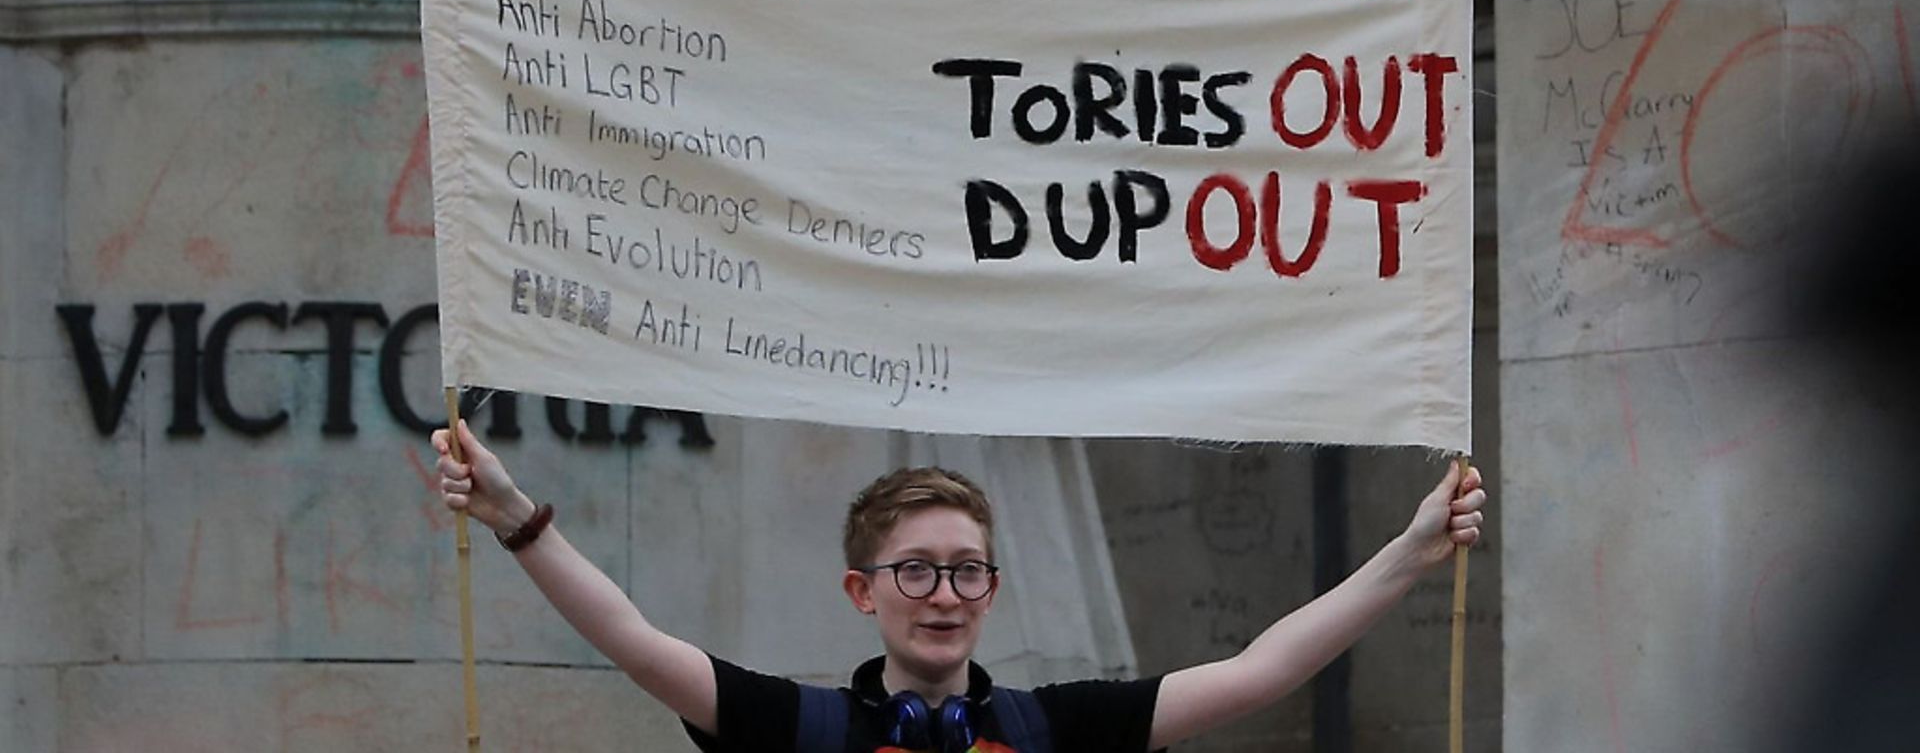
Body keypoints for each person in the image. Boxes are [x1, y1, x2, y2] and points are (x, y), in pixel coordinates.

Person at [432, 424, 1485, 752]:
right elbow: (632, 639)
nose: (945, 593)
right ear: (863, 590)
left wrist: (1407, 551)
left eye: (967, 570)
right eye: (918, 570)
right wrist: (518, 519)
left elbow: (1261, 672)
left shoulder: (1053, 726)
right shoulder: (801, 726)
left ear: (992, 589)